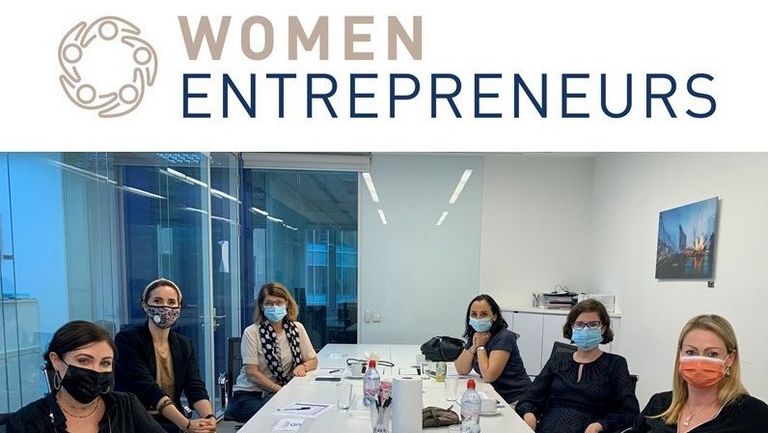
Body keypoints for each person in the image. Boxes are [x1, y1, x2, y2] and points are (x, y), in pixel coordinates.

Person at [8, 320, 165, 433]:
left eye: (105, 363)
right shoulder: (26, 422)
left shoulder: (126, 407)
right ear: (56, 361)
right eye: (84, 360)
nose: (95, 370)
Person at [515, 299, 639, 433]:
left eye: (593, 324)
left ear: (603, 328)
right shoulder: (558, 360)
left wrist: (600, 425)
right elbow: (529, 398)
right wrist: (529, 415)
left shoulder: (615, 364)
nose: (585, 329)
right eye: (579, 324)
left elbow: (629, 412)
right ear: (572, 328)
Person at [631, 314, 768, 432]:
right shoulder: (659, 404)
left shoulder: (754, 414)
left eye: (712, 354)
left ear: (730, 359)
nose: (699, 362)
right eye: (691, 352)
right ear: (680, 355)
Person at [114, 278, 216, 433]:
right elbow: (148, 389)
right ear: (145, 305)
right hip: (135, 421)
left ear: (179, 307)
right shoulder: (127, 340)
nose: (165, 307)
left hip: (171, 421)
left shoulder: (184, 344)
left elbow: (195, 386)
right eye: (157, 301)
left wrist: (209, 418)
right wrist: (186, 425)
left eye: (171, 302)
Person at [224, 282, 318, 422]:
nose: (274, 307)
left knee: (304, 414)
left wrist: (303, 366)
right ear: (262, 306)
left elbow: (313, 360)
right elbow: (252, 372)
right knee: (275, 418)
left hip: (283, 390)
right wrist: (279, 390)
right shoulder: (252, 332)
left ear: (286, 303)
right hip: (250, 394)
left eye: (279, 302)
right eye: (269, 303)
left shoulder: (297, 329)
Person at [453, 294, 532, 403]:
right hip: (494, 396)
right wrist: (474, 346)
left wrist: (480, 346)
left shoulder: (504, 337)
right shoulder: (477, 335)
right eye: (474, 314)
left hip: (517, 400)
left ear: (494, 316)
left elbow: (488, 376)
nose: (478, 319)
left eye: (484, 314)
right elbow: (461, 369)